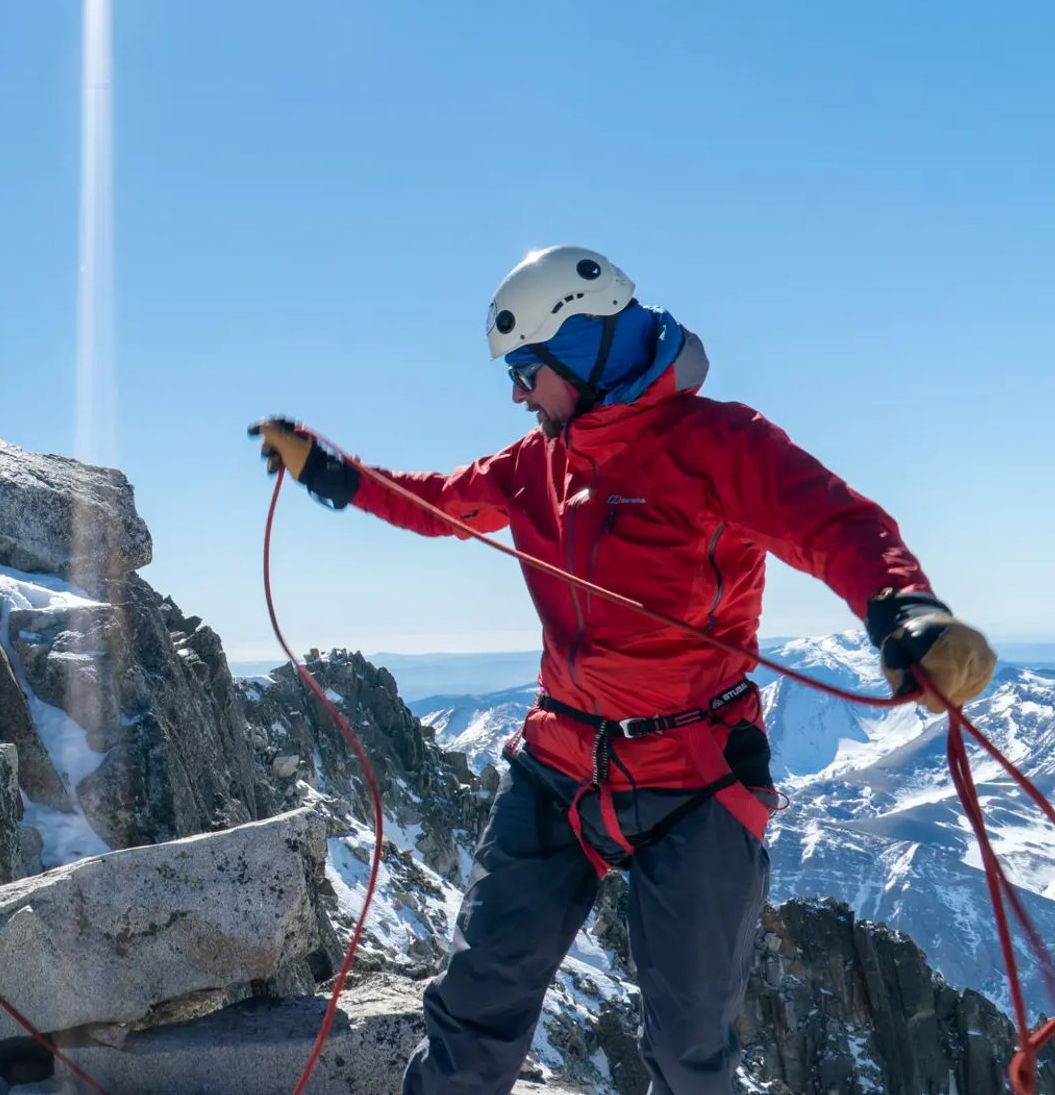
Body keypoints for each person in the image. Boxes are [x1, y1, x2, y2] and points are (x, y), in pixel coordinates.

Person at [253, 245, 996, 1095]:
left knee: (689, 1052)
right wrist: (330, 472)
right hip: (559, 762)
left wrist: (905, 610)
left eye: (527, 371)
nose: (517, 393)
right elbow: (437, 503)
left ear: (580, 349)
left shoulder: (716, 441)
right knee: (475, 1007)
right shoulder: (534, 462)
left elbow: (831, 523)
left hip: (696, 776)